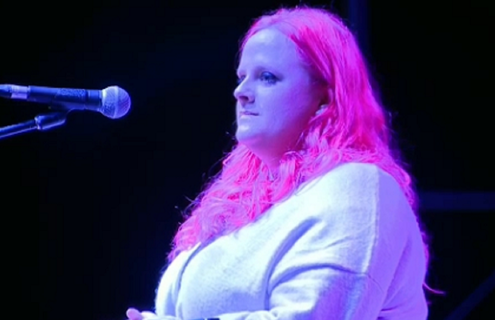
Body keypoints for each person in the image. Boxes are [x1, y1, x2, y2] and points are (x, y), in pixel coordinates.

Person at [127, 5, 436, 320]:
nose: (241, 91)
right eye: (242, 77)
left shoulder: (358, 187)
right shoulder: (243, 208)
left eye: (267, 77)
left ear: (324, 99)